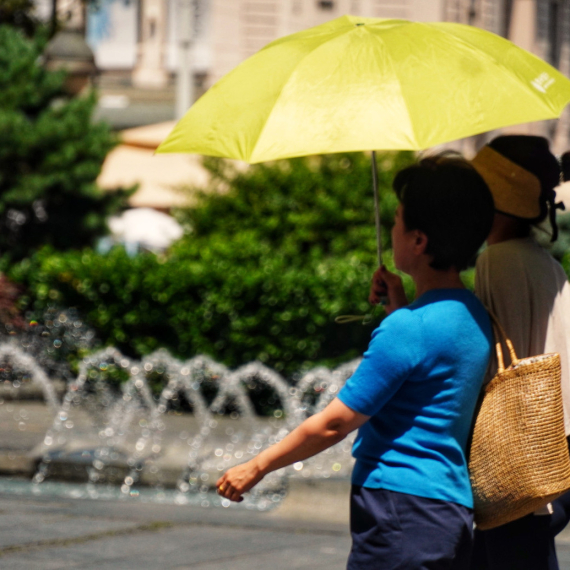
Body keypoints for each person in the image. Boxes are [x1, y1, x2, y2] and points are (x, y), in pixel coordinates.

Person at [217, 154, 495, 569]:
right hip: (447, 509)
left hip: (399, 508)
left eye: (398, 220)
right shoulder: (472, 314)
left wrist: (256, 466)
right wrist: (399, 306)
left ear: (419, 241)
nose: (393, 228)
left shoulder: (409, 329)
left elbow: (335, 423)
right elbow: (426, 385)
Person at [467, 135, 570, 570]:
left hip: (518, 453)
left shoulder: (498, 260)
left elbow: (485, 356)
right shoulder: (544, 261)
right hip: (554, 446)